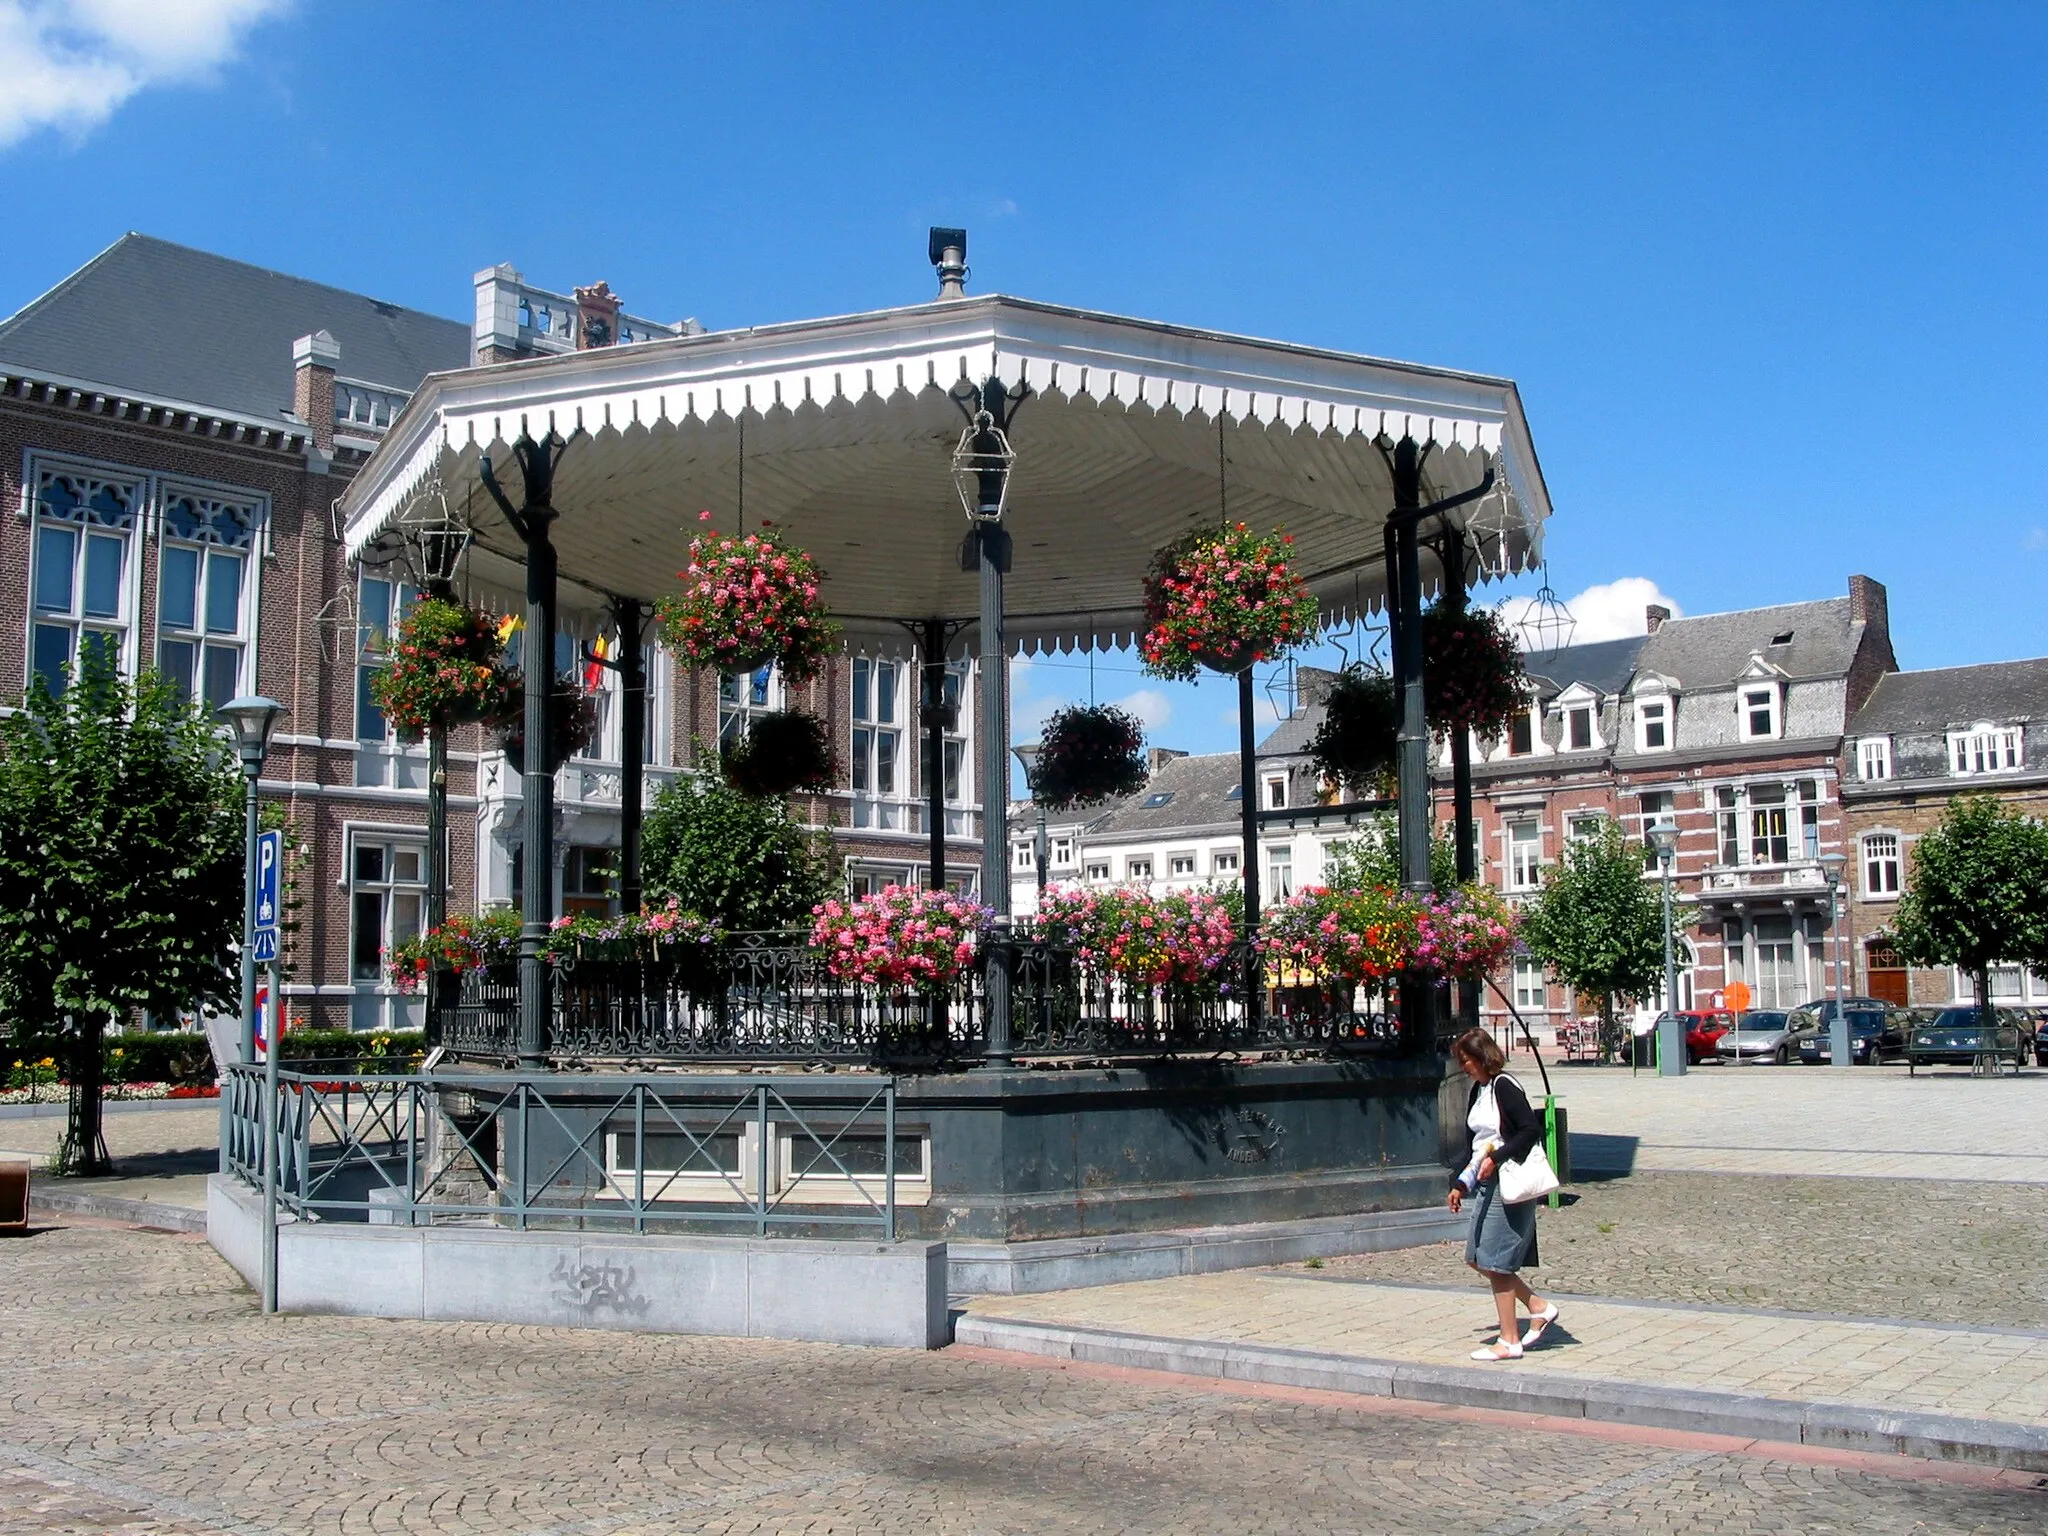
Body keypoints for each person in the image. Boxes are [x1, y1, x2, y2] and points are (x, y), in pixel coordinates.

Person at [1446, 1027, 1557, 1361]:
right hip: (1485, 1180)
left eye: (1466, 1060)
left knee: (1496, 1261)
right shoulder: (1478, 1091)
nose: (1463, 1067)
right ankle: (1538, 1307)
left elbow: (1529, 1130)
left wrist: (1498, 1158)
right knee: (1476, 1256)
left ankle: (1509, 1340)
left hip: (1509, 1181)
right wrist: (1460, 1183)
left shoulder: (1504, 1086)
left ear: (1482, 1057)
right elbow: (1478, 1147)